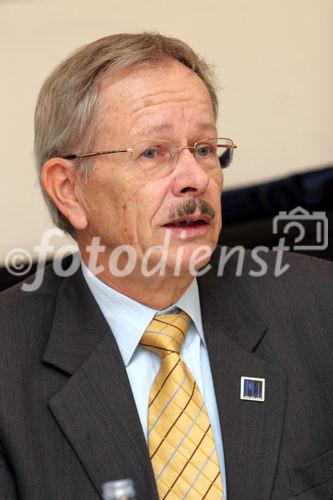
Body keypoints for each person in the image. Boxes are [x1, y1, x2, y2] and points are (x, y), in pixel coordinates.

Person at [0, 33, 332, 500]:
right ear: (70, 189)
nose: (196, 179)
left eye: (203, 149)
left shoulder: (319, 306)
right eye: (153, 153)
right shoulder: (8, 360)